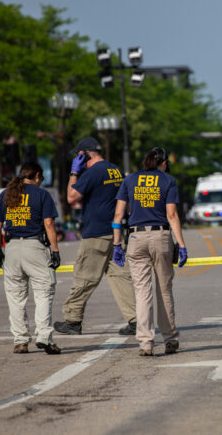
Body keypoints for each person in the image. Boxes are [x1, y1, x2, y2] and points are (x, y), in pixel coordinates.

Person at [54, 138, 138, 336]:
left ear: (84, 154)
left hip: (96, 233)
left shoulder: (93, 172)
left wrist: (74, 173)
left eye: (78, 155)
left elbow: (71, 197)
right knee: (121, 278)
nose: (76, 159)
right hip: (115, 233)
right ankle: (136, 320)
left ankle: (73, 320)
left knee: (84, 277)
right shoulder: (115, 170)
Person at [112, 147, 188, 356]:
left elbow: (118, 215)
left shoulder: (129, 180)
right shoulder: (168, 181)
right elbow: (171, 215)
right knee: (164, 290)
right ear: (163, 162)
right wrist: (181, 245)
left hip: (135, 238)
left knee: (142, 292)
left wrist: (117, 245)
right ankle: (170, 339)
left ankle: (146, 342)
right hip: (160, 236)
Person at [0, 162, 61, 354]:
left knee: (15, 297)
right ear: (37, 175)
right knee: (44, 292)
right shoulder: (41, 194)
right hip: (35, 247)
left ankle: (21, 341)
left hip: (12, 248)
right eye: (41, 178)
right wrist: (55, 251)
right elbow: (48, 223)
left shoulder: (6, 194)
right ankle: (44, 337)